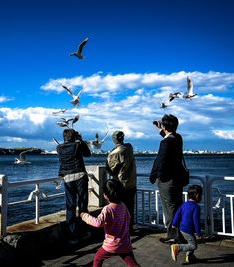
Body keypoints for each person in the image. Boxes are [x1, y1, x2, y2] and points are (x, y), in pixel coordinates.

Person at [80, 179, 141, 267]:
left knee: (97, 258)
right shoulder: (124, 206)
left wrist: (84, 216)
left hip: (111, 245)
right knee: (133, 264)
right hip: (125, 243)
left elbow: (98, 223)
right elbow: (128, 218)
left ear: (106, 196)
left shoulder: (107, 209)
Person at [149, 114, 184, 243]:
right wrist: (160, 129)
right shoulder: (177, 138)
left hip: (167, 181)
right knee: (176, 207)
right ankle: (180, 234)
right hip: (177, 179)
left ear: (165, 127)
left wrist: (155, 177)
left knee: (169, 209)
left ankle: (173, 237)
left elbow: (161, 162)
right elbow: (168, 135)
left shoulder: (166, 142)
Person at [57, 128, 92, 244]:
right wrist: (81, 140)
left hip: (67, 178)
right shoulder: (77, 145)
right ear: (73, 136)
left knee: (70, 206)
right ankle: (84, 231)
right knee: (82, 205)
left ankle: (73, 236)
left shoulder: (59, 148)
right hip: (80, 177)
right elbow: (88, 154)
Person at [105, 130, 137, 232]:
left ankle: (123, 229)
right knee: (130, 208)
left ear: (114, 140)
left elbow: (110, 170)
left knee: (120, 209)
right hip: (132, 183)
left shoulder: (114, 153)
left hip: (121, 185)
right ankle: (130, 227)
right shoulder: (129, 147)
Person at [171, 185, 203, 263]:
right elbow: (196, 221)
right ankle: (177, 247)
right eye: (201, 195)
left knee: (191, 242)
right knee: (193, 245)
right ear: (197, 196)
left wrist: (174, 223)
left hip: (182, 228)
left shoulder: (184, 204)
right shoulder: (196, 207)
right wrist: (199, 233)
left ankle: (190, 257)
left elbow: (178, 214)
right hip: (188, 230)